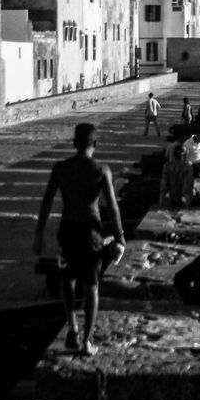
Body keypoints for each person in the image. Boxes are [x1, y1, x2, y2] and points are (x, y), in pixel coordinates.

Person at [34, 122, 126, 357]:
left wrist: (39, 234)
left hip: (67, 231)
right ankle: (86, 341)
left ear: (74, 143)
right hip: (91, 232)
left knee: (67, 280)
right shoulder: (101, 170)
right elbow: (113, 207)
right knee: (92, 285)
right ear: (95, 144)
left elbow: (46, 202)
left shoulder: (61, 168)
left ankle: (73, 329)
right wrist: (119, 238)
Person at [159, 129, 193, 208]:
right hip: (183, 200)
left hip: (171, 197)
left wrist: (160, 203)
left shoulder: (167, 166)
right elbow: (187, 187)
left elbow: (163, 187)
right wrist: (187, 204)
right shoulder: (188, 167)